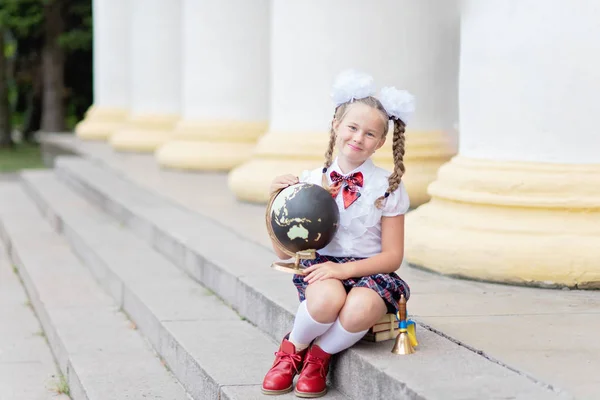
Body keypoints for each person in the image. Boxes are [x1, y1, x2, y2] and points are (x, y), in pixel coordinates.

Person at [262, 70, 414, 398]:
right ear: (336, 125)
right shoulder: (309, 181)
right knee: (329, 299)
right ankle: (291, 350)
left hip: (370, 272)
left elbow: (392, 256)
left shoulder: (387, 187)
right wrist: (276, 203)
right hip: (322, 269)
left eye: (370, 133)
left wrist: (344, 270)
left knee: (359, 308)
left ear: (381, 142)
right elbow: (284, 254)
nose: (359, 138)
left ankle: (319, 357)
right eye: (352, 127)